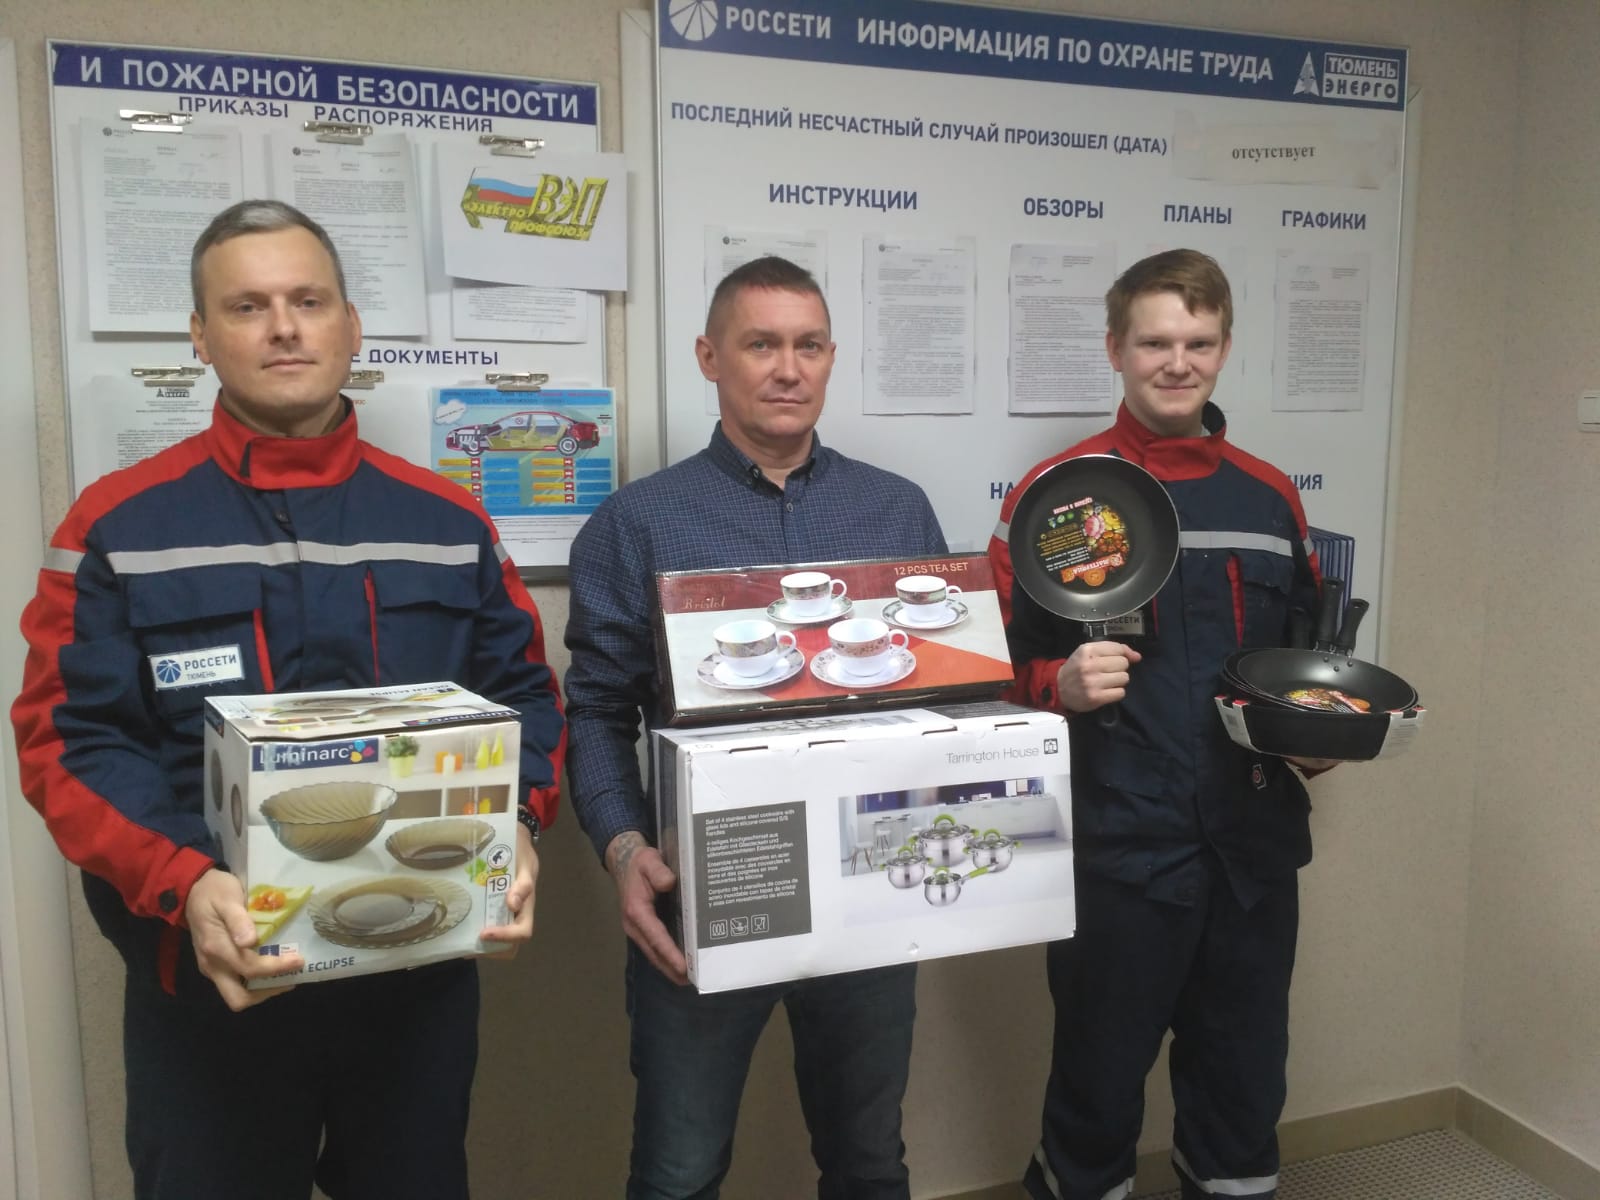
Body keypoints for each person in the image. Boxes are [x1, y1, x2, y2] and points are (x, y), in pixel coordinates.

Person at [10, 199, 566, 1200]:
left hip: (413, 981)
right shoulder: (117, 528)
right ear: (200, 335)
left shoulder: (447, 521)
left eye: (308, 301)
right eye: (248, 306)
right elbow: (69, 743)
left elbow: (525, 695)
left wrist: (518, 824)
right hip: (212, 984)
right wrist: (185, 881)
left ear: (351, 325)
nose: (283, 328)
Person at [564, 255, 946, 1199]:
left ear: (831, 358)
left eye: (808, 346)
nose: (787, 369)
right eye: (761, 345)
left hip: (869, 880)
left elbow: (948, 692)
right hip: (709, 889)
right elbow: (597, 711)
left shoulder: (896, 509)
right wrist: (622, 849)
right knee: (680, 1171)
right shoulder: (637, 523)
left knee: (869, 1161)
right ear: (710, 357)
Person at [990, 249, 1333, 1200]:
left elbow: (1304, 663)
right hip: (1119, 854)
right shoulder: (1057, 494)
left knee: (1242, 1093)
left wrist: (1318, 737)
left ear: (1223, 348)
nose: (1177, 363)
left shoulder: (1269, 497)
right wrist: (1056, 684)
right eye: (1154, 343)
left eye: (1199, 342)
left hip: (1251, 854)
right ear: (1115, 349)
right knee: (1096, 1095)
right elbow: (984, 671)